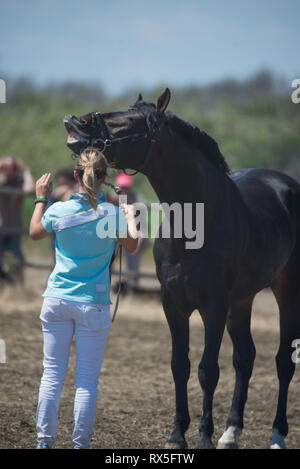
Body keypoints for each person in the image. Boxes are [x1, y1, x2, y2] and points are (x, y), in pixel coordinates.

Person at [29, 148, 138, 449]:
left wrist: (41, 197)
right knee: (86, 381)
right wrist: (129, 215)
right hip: (94, 303)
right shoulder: (112, 215)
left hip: (56, 300)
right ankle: (80, 445)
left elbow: (35, 231)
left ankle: (44, 442)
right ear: (104, 178)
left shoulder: (59, 211)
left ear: (76, 175)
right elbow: (133, 247)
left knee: (51, 376)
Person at [107, 173, 147, 291]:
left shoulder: (137, 202)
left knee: (133, 253)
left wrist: (137, 246)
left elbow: (142, 229)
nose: (124, 191)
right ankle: (105, 278)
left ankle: (132, 285)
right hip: (113, 234)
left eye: (126, 188)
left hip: (132, 233)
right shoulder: (109, 199)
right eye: (121, 188)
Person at [0, 156, 35, 284]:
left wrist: (25, 170)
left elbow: (30, 189)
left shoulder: (20, 183)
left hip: (14, 229)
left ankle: (21, 290)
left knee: (18, 261)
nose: (10, 172)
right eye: (7, 168)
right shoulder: (1, 181)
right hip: (1, 229)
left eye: (13, 168)